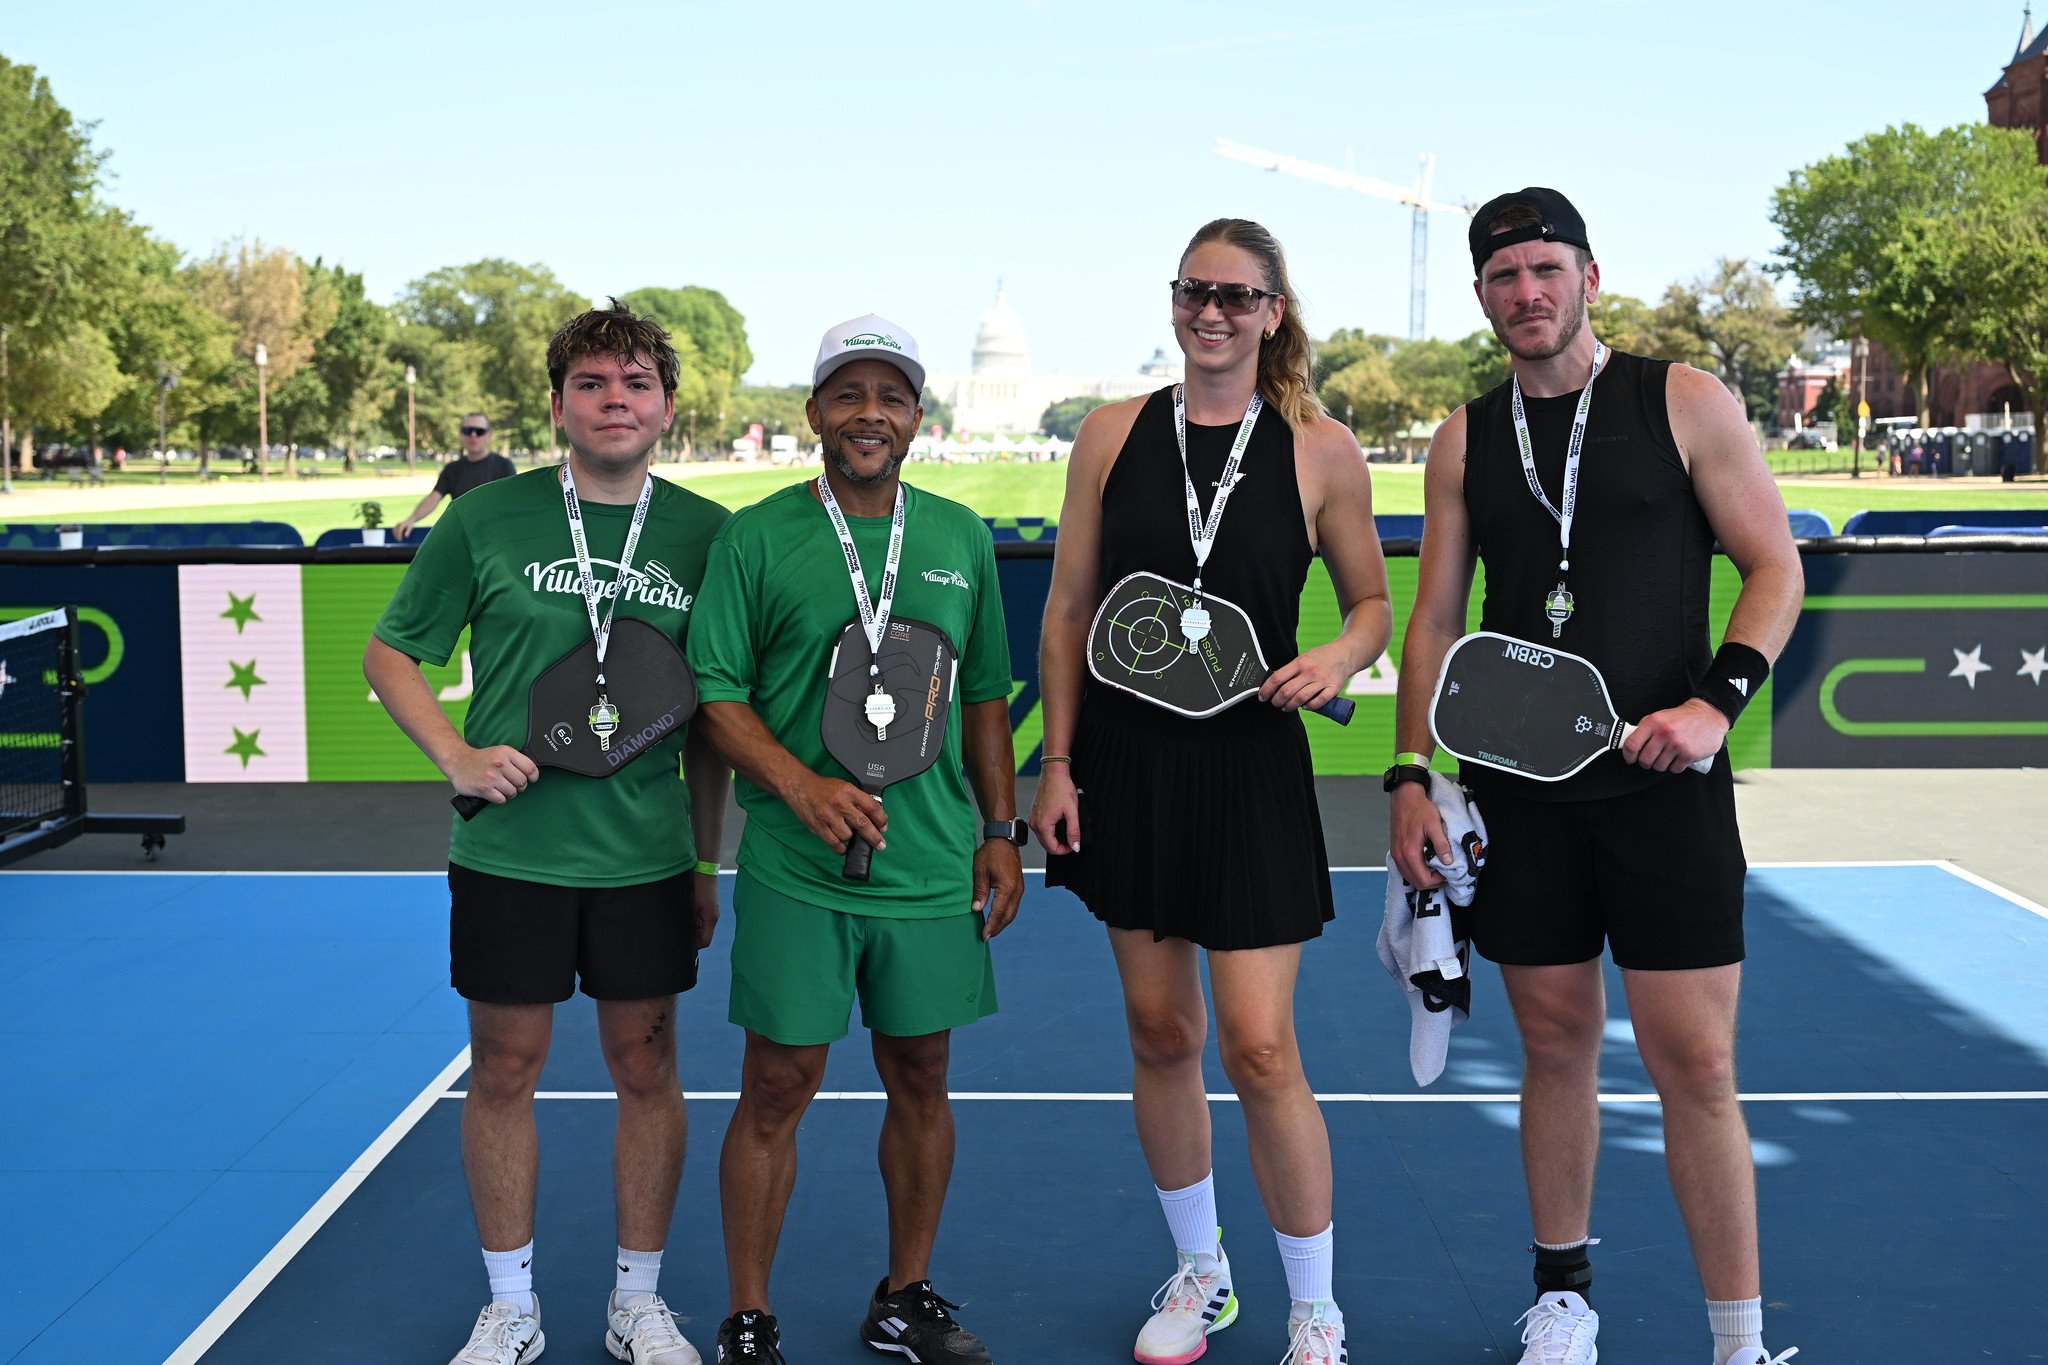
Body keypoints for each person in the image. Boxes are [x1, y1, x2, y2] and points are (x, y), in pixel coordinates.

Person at [1388, 188, 1804, 1365]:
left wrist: (1714, 705)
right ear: (1481, 295)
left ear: (1588, 276)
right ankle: (1562, 1300)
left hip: (1664, 793)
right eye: (1503, 275)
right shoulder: (1463, 436)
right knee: (1554, 1046)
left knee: (1697, 1066)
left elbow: (1773, 568)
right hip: (1517, 796)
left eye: (1545, 268)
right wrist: (1408, 772)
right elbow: (1434, 618)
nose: (1526, 292)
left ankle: (1737, 1341)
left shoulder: (1682, 398)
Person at [1030, 219, 1392, 1365]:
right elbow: (1068, 612)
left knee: (1258, 1047)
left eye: (1237, 295)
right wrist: (1054, 763)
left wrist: (1336, 658)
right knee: (1158, 1031)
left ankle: (1314, 1310)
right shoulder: (1109, 434)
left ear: (1273, 312)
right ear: (1174, 300)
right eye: (1195, 291)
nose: (1213, 312)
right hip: (1126, 765)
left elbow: (1372, 607)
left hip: (1248, 771)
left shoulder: (1320, 449)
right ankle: (1202, 1273)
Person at [365, 301, 732, 1365]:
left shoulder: (711, 535)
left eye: (636, 384)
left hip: (644, 858)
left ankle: (636, 1305)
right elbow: (392, 654)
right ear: (559, 404)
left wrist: (704, 860)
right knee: (504, 1069)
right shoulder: (487, 519)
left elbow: (712, 720)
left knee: (645, 1070)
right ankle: (510, 1308)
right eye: (591, 384)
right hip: (510, 854)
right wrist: (457, 757)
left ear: (667, 406)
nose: (615, 401)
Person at [688, 314, 1024, 1365]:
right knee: (775, 1086)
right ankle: (748, 1315)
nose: (868, 413)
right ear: (814, 413)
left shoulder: (960, 536)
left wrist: (1000, 830)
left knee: (921, 1073)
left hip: (928, 865)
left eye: (890, 396)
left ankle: (904, 1297)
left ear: (917, 417)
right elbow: (714, 693)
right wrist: (798, 786)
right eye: (848, 394)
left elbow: (984, 696)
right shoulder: (756, 537)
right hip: (798, 867)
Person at [395, 412, 519, 540]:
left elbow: (514, 503)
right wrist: (411, 519)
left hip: (496, 539)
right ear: (461, 434)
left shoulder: (504, 465)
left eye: (479, 431)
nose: (473, 435)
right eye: (468, 430)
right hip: (463, 539)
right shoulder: (452, 469)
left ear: (489, 435)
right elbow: (434, 497)